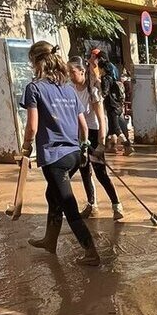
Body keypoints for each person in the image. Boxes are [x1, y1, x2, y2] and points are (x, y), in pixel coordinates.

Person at [21, 41, 101, 266]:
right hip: (74, 154)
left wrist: (26, 148)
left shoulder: (34, 88)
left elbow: (32, 127)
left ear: (37, 62)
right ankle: (50, 240)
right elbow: (84, 127)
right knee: (52, 196)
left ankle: (91, 252)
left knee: (68, 205)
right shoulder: (69, 89)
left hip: (54, 158)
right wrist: (84, 148)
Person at [68, 56, 124, 221]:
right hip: (78, 133)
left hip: (93, 132)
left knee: (100, 172)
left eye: (73, 72)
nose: (71, 76)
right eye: (68, 72)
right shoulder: (69, 89)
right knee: (84, 170)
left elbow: (102, 120)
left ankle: (116, 205)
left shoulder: (93, 90)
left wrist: (101, 144)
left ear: (82, 71)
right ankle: (92, 205)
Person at [97, 54, 134, 156]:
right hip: (118, 106)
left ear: (102, 69)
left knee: (117, 129)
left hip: (111, 107)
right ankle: (111, 146)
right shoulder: (114, 78)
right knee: (112, 128)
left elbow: (104, 92)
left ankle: (128, 146)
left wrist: (98, 88)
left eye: (99, 68)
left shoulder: (105, 78)